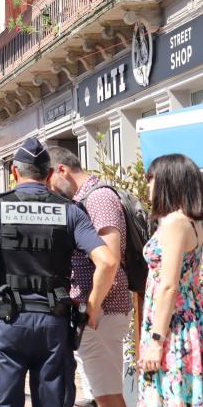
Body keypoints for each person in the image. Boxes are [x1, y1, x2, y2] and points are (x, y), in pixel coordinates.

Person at [0, 137, 118, 407]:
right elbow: (107, 261)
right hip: (54, 326)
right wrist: (92, 308)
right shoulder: (70, 211)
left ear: (14, 172)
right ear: (49, 174)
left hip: (5, 324)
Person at [48, 147, 131, 407]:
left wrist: (92, 306)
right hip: (96, 312)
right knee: (101, 393)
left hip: (102, 311)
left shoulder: (98, 198)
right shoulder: (83, 199)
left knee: (107, 396)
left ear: (62, 170)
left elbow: (111, 260)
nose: (48, 190)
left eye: (48, 180)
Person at [137, 154, 203, 407]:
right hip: (188, 317)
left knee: (168, 394)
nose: (149, 186)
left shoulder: (176, 222)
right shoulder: (194, 221)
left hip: (171, 324)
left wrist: (156, 340)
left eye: (151, 179)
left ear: (169, 180)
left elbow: (168, 285)